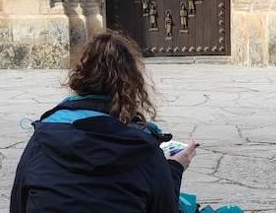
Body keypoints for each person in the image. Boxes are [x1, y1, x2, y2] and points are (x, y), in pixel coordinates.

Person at [10, 32, 197, 213]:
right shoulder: (144, 149)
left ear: (79, 77)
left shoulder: (42, 139)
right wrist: (174, 167)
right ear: (132, 83)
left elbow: (18, 205)